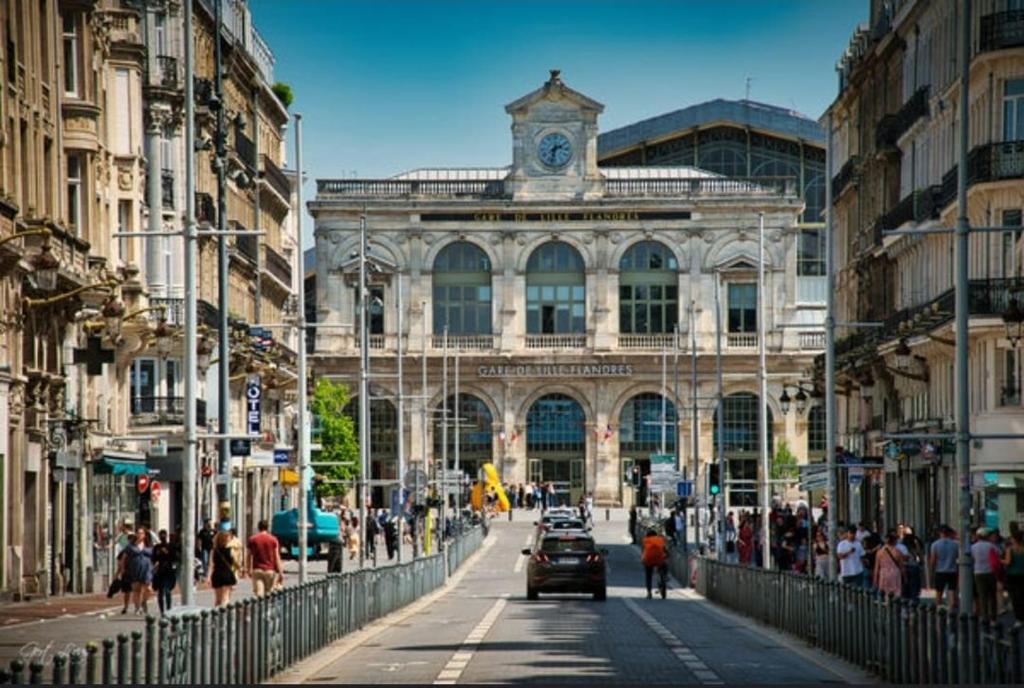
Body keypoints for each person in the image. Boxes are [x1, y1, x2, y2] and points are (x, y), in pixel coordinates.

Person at [122, 526, 154, 615]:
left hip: (147, 569)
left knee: (149, 589)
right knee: (137, 590)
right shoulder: (131, 546)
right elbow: (124, 558)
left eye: (141, 533)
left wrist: (154, 567)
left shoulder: (149, 545)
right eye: (138, 533)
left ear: (144, 535)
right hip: (134, 569)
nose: (139, 535)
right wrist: (123, 569)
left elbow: (154, 557)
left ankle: (144, 601)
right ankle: (137, 607)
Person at [247, 520, 283, 596]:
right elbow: (276, 557)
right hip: (270, 570)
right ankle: (266, 607)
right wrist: (280, 572)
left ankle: (259, 607)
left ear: (258, 528)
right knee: (269, 593)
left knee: (259, 593)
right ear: (267, 528)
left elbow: (249, 556)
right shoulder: (273, 540)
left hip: (257, 569)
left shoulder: (252, 539)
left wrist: (248, 569)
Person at [209, 526, 242, 607]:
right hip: (227, 574)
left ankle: (216, 616)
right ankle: (223, 617)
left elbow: (211, 564)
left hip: (216, 575)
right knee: (226, 598)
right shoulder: (230, 550)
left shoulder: (214, 551)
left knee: (217, 599)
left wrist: (208, 576)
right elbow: (236, 563)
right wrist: (240, 569)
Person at [971, 527, 999, 620]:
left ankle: (984, 616)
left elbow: (972, 558)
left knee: (982, 595)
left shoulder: (973, 547)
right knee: (992, 595)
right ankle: (993, 617)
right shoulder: (991, 546)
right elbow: (999, 554)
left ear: (978, 536)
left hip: (978, 572)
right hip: (991, 572)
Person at [929, 525, 960, 609]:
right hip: (952, 571)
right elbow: (958, 557)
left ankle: (938, 608)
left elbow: (933, 560)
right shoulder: (955, 544)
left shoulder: (935, 544)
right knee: (952, 591)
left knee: (939, 592)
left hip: (940, 571)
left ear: (940, 533)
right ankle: (951, 607)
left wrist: (931, 571)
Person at [151, 529, 179, 615]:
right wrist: (156, 564)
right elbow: (153, 558)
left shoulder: (171, 546)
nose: (162, 537)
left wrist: (168, 553)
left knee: (167, 590)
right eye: (161, 535)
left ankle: (168, 609)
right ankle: (162, 611)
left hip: (169, 571)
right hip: (160, 572)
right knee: (160, 592)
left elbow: (175, 557)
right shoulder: (156, 547)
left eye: (164, 535)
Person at [874, 531, 904, 597]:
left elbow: (876, 568)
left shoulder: (879, 552)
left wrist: (875, 580)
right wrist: (905, 576)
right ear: (894, 541)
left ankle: (886, 605)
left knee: (884, 593)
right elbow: (902, 567)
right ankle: (895, 606)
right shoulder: (897, 552)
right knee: (896, 592)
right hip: (895, 574)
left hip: (884, 574)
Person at [1002, 531, 1024, 624]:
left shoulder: (1010, 549)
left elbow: (1008, 562)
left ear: (1014, 539)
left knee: (1015, 597)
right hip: (1022, 574)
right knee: (1022, 595)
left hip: (1012, 575)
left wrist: (999, 560)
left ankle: (1019, 618)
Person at [641, 528, 668, 599]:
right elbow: (665, 550)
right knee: (664, 565)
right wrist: (667, 555)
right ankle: (664, 577)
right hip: (659, 559)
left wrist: (643, 560)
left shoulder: (645, 540)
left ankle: (649, 592)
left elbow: (643, 551)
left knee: (648, 575)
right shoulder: (660, 539)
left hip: (648, 559)